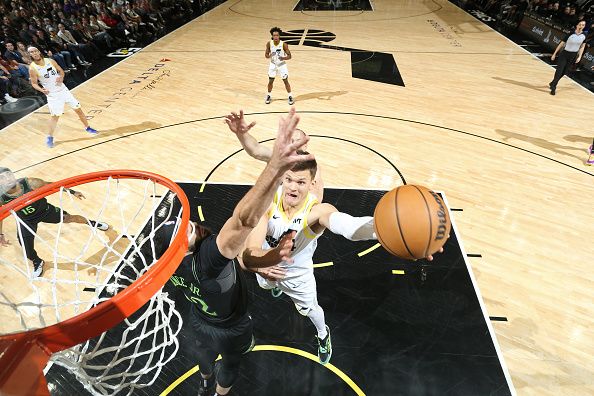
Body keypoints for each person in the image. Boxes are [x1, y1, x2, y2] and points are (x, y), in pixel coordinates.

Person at [161, 108, 312, 396]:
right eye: (188, 229)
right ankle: (218, 393)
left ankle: (204, 380)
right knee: (231, 361)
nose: (191, 223)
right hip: (231, 325)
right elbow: (243, 223)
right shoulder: (210, 257)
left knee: (201, 352)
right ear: (186, 246)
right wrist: (276, 166)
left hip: (199, 316)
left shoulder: (168, 263)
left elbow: (240, 258)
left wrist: (254, 262)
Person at [242, 154, 443, 365]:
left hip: (297, 273)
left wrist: (388, 227)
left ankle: (322, 335)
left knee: (311, 310)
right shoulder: (266, 203)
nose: (293, 187)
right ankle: (273, 285)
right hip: (264, 267)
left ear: (311, 184)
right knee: (266, 285)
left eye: (300, 182)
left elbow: (348, 227)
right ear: (282, 177)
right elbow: (251, 249)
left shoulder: (316, 211)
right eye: (289, 180)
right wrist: (259, 265)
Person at [0, 167, 109, 278]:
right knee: (26, 247)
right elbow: (0, 215)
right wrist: (0, 234)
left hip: (45, 211)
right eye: (3, 178)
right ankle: (38, 261)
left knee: (70, 218)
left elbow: (54, 185)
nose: (8, 178)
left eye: (9, 174)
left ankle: (92, 223)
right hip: (26, 221)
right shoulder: (1, 197)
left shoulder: (31, 183)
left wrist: (72, 192)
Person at [27, 46, 98, 148]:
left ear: (39, 52)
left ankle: (87, 127)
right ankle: (50, 137)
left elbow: (61, 71)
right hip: (53, 95)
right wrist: (42, 90)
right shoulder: (32, 68)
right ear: (30, 55)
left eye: (35, 51)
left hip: (63, 91)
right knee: (55, 117)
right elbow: (34, 83)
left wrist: (61, 77)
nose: (34, 53)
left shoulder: (50, 60)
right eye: (31, 52)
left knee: (78, 109)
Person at [549, 20, 587, 95]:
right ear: (577, 25)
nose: (581, 26)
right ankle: (554, 87)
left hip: (573, 55)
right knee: (559, 71)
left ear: (584, 26)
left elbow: (582, 46)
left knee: (564, 72)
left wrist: (579, 57)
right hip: (564, 54)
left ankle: (553, 82)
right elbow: (561, 43)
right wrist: (554, 54)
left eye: (583, 25)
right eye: (580, 24)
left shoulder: (584, 35)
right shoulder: (570, 33)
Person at [265, 27, 293, 105]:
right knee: (270, 81)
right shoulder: (269, 43)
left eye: (277, 35)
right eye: (274, 35)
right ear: (272, 36)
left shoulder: (284, 44)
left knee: (285, 81)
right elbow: (266, 55)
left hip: (282, 65)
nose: (276, 37)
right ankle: (268, 95)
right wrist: (270, 55)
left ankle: (290, 96)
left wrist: (283, 58)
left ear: (279, 36)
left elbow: (290, 56)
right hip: (273, 64)